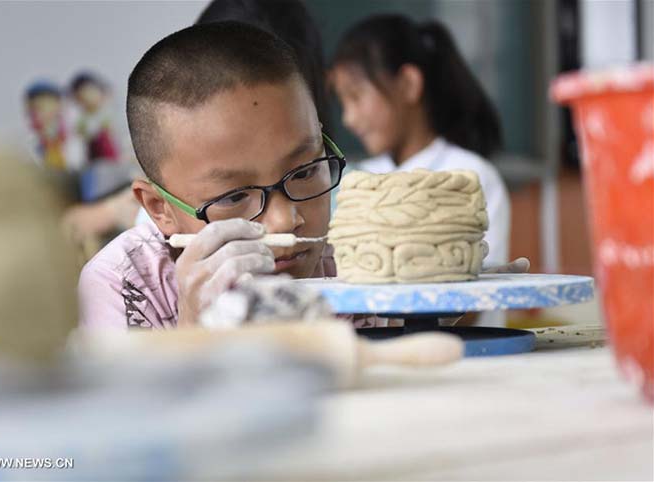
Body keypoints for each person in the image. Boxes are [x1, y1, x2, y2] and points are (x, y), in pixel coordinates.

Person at [78, 22, 344, 329]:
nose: (285, 220)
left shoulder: (364, 255)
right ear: (158, 207)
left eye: (306, 171)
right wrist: (195, 330)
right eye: (234, 197)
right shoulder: (124, 285)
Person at [330, 14, 510, 266]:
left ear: (408, 84)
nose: (348, 118)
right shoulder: (357, 182)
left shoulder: (472, 177)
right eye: (342, 102)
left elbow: (481, 289)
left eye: (356, 96)